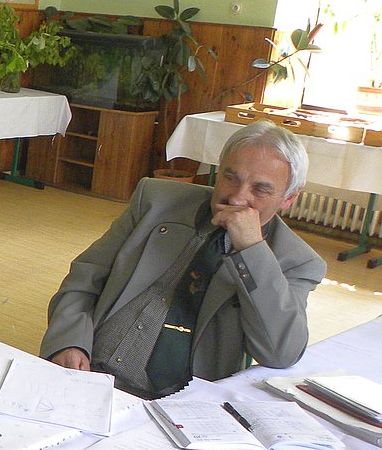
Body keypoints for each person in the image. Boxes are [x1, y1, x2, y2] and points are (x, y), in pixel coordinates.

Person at [40, 119, 327, 398]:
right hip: (90, 371)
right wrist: (69, 342)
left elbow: (280, 353)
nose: (238, 198)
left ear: (289, 198)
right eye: (230, 177)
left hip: (180, 401)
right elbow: (85, 277)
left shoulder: (296, 261)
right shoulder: (156, 201)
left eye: (260, 189)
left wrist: (251, 250)